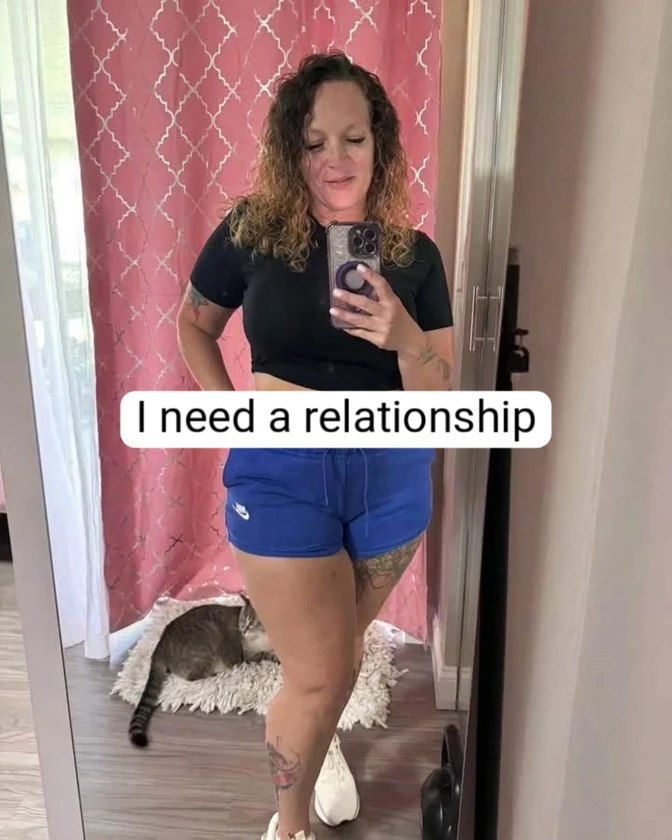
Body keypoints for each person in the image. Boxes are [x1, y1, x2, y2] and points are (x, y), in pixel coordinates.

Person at [177, 50, 454, 840]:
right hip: (282, 469)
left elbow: (439, 395)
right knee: (317, 672)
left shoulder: (414, 256)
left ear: (380, 144)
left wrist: (403, 335)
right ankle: (289, 825)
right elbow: (194, 323)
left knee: (336, 655)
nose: (336, 158)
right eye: (314, 141)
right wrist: (229, 411)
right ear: (289, 150)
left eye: (354, 138)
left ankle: (320, 732)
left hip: (389, 477)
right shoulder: (250, 234)